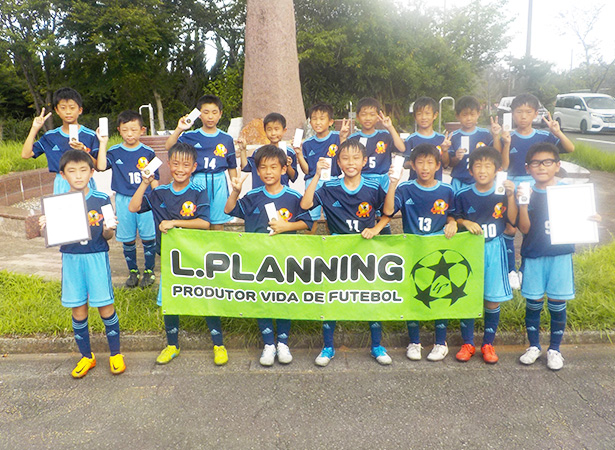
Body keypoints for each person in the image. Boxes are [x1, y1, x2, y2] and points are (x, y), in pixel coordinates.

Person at [129, 143, 228, 366]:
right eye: (175, 164)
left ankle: (218, 344)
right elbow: (133, 208)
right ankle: (172, 345)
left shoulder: (199, 191)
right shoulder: (160, 192)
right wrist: (145, 183)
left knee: (206, 298)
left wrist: (174, 222)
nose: (180, 169)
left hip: (195, 256)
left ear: (193, 167)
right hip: (170, 260)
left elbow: (204, 223)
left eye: (185, 165)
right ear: (168, 165)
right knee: (170, 300)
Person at [300, 140, 393, 366]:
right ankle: (328, 347)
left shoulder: (372, 187)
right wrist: (316, 175)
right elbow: (305, 205)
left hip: (366, 251)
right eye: (345, 159)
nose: (351, 163)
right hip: (337, 252)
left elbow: (388, 211)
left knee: (371, 297)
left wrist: (376, 229)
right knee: (331, 298)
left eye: (355, 158)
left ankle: (377, 346)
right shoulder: (330, 187)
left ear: (364, 161)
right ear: (338, 163)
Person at [39, 150, 124, 378]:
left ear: (92, 172)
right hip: (71, 259)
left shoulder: (102, 199)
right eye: (72, 171)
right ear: (63, 175)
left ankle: (116, 354)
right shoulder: (58, 204)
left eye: (83, 170)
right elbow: (52, 235)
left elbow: (108, 236)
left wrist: (108, 229)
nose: (78, 176)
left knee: (105, 306)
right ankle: (87, 356)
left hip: (96, 257)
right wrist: (46, 227)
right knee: (78, 308)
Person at [225, 145, 313, 366]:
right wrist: (235, 191)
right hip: (258, 259)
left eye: (273, 167)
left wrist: (286, 226)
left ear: (283, 169)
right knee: (262, 298)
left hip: (285, 259)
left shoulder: (294, 196)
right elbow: (229, 210)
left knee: (283, 298)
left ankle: (282, 342)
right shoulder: (252, 196)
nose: (268, 172)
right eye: (263, 167)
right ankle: (268, 344)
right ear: (257, 170)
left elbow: (308, 223)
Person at [516, 143, 590, 371]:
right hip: (534, 255)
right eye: (536, 163)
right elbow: (524, 229)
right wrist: (522, 203)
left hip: (560, 255)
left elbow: (582, 219)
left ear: (557, 165)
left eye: (547, 162)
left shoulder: (568, 192)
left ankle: (555, 349)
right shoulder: (526, 191)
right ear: (528, 168)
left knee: (558, 303)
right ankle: (534, 346)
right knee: (533, 302)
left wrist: (591, 218)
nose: (542, 167)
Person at [382, 143, 457, 361]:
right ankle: (414, 342)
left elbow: (453, 215)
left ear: (438, 165)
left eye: (430, 162)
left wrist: (452, 222)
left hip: (438, 253)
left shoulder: (447, 190)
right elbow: (388, 211)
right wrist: (393, 184)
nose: (425, 167)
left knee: (440, 294)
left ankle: (440, 342)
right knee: (413, 296)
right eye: (420, 162)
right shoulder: (405, 188)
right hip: (413, 252)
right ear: (412, 165)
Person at [493, 93, 575, 291]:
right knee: (509, 228)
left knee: (532, 228)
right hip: (511, 185)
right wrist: (503, 141)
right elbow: (502, 165)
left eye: (528, 112)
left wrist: (557, 132)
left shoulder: (544, 136)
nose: (523, 116)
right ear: (512, 114)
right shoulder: (508, 136)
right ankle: (511, 271)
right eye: (518, 112)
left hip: (537, 186)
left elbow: (569, 148)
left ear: (535, 113)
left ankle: (525, 268)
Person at [453, 146, 518, 364]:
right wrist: (465, 222)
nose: (482, 170)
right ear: (470, 170)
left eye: (488, 166)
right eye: (478, 166)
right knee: (467, 295)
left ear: (497, 170)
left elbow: (512, 222)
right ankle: (467, 343)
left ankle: (488, 343)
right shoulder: (462, 194)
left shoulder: (503, 192)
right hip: (469, 250)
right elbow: (454, 217)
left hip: (494, 249)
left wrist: (511, 196)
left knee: (492, 298)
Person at [96, 110, 159, 288]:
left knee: (148, 237)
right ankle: (133, 271)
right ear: (119, 130)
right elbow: (101, 166)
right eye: (125, 130)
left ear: (142, 130)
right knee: (128, 238)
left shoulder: (148, 152)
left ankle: (149, 271)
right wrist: (103, 143)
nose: (129, 134)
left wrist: (158, 198)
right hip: (123, 200)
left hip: (145, 200)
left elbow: (155, 180)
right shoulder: (114, 151)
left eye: (134, 129)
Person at [165, 94, 237, 230]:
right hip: (197, 181)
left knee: (217, 223)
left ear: (220, 114)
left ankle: (216, 244)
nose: (210, 116)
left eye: (214, 112)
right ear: (199, 115)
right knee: (198, 221)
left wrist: (235, 188)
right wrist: (179, 128)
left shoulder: (226, 138)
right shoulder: (190, 136)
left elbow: (231, 166)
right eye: (206, 112)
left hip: (219, 181)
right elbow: (169, 146)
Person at [22, 87, 99, 194]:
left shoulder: (90, 135)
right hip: (61, 183)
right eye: (63, 108)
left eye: (72, 107)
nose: (68, 112)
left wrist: (84, 151)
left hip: (84, 181)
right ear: (57, 110)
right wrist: (34, 128)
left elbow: (98, 166)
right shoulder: (50, 137)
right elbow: (26, 154)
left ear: (80, 110)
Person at [295, 102, 349, 224]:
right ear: (310, 123)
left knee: (332, 217)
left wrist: (343, 138)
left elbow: (346, 156)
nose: (318, 122)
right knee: (311, 218)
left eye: (322, 118)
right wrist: (299, 154)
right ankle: (310, 235)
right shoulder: (307, 143)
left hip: (332, 181)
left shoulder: (337, 137)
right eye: (314, 119)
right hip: (313, 182)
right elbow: (307, 170)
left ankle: (332, 234)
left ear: (330, 122)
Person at [347, 97, 406, 191]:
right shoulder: (353, 138)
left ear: (378, 117)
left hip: (382, 180)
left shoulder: (385, 135)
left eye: (372, 114)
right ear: (357, 117)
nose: (368, 118)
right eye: (364, 114)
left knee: (385, 201)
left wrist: (390, 127)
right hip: (361, 179)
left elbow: (401, 148)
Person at [448, 96, 498, 193]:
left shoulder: (485, 134)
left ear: (478, 114)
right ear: (457, 116)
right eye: (464, 115)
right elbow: (448, 163)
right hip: (459, 182)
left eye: (472, 114)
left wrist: (496, 136)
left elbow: (496, 155)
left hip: (481, 182)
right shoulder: (453, 136)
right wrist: (456, 157)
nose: (469, 118)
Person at [236, 112, 298, 190]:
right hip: (260, 193)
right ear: (265, 131)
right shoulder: (259, 152)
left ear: (284, 130)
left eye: (276, 129)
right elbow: (245, 167)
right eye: (269, 129)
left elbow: (293, 177)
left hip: (281, 193)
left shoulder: (290, 152)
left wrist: (288, 165)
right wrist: (243, 150)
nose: (273, 133)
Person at [404, 96, 451, 181]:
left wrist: (445, 151)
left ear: (435, 115)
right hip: (414, 185)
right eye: (419, 114)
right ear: (414, 116)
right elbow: (405, 164)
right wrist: (418, 162)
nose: (423, 117)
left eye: (427, 113)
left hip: (436, 185)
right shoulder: (411, 140)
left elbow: (446, 164)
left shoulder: (442, 139)